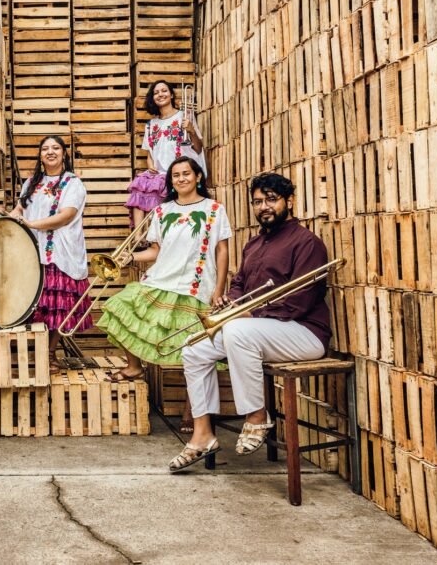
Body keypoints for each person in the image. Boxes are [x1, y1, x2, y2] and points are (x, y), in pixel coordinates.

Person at [170, 172, 331, 472]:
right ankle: (203, 435)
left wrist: (249, 314)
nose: (263, 207)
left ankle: (257, 416)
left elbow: (301, 301)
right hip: (257, 330)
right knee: (193, 349)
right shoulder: (254, 245)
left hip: (304, 333)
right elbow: (240, 283)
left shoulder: (307, 243)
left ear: (289, 201)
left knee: (237, 330)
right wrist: (229, 301)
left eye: (271, 199)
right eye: (258, 202)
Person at [96, 157, 230, 383]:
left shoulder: (214, 209)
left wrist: (218, 290)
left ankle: (192, 410)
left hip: (194, 287)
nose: (181, 179)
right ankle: (134, 367)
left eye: (186, 173)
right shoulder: (161, 211)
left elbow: (222, 251)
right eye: (175, 175)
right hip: (160, 281)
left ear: (198, 177)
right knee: (119, 305)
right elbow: (156, 251)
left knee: (193, 348)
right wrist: (131, 257)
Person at [8, 136, 89, 370]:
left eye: (55, 148)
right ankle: (34, 354)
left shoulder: (73, 183)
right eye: (45, 148)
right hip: (33, 250)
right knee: (37, 305)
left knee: (58, 306)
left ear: (64, 153)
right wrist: (8, 219)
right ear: (40, 155)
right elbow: (20, 208)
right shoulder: (32, 182)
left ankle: (50, 354)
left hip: (60, 252)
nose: (50, 152)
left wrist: (32, 225)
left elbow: (67, 215)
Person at [126, 80, 205, 234]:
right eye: (156, 92)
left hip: (177, 172)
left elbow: (198, 148)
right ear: (152, 98)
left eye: (164, 91)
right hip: (158, 172)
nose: (160, 94)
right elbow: (150, 154)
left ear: (171, 94)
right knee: (138, 187)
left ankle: (153, 236)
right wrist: (150, 165)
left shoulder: (184, 116)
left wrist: (191, 130)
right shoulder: (151, 124)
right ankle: (137, 237)